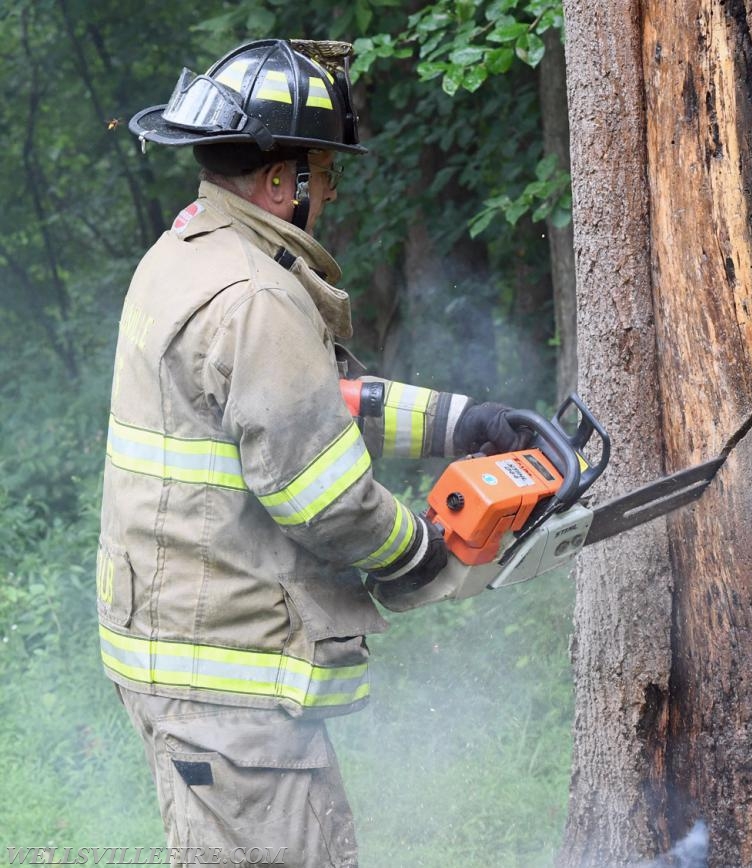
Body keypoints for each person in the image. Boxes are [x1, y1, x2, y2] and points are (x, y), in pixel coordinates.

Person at [100, 38, 527, 867]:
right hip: (229, 687)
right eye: (324, 175)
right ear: (281, 180)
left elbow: (304, 409)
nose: (327, 193)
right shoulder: (259, 298)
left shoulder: (185, 255)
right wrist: (420, 550)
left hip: (174, 657)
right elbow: (320, 493)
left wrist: (459, 423)